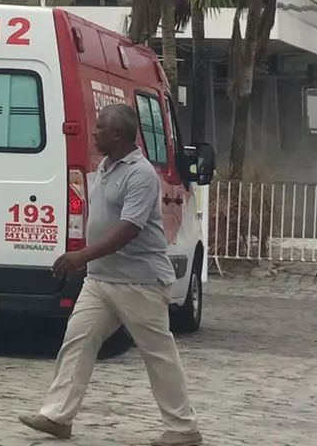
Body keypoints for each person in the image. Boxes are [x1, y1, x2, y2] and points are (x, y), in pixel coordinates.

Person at [19, 102, 201, 446]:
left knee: (158, 353)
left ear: (118, 134)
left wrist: (81, 256)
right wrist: (89, 262)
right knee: (77, 339)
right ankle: (58, 416)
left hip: (140, 282)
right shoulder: (105, 166)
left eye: (100, 127)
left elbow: (128, 229)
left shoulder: (140, 174)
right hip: (101, 280)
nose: (94, 132)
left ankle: (183, 428)